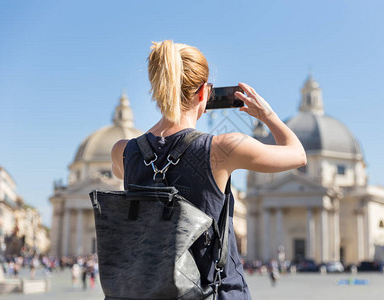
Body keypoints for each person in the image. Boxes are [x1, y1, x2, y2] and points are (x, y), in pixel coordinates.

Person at [111, 40, 307, 299]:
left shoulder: (123, 151)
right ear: (204, 93)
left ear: (158, 90)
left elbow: (145, 153)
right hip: (214, 292)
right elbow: (297, 154)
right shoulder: (223, 148)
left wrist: (161, 120)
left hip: (148, 291)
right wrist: (267, 115)